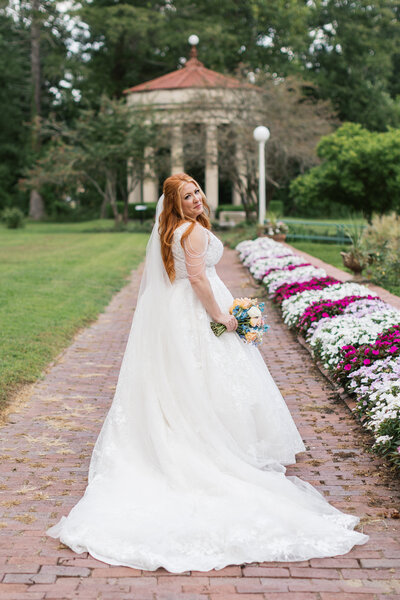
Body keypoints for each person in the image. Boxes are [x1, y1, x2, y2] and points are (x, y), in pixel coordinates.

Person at [46, 173, 368, 572]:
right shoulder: (192, 233)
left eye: (197, 191)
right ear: (175, 204)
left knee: (187, 377)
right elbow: (198, 278)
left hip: (178, 310)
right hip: (199, 311)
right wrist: (222, 317)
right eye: (187, 196)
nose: (197, 198)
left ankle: (191, 430)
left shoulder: (173, 231)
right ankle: (219, 442)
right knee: (210, 375)